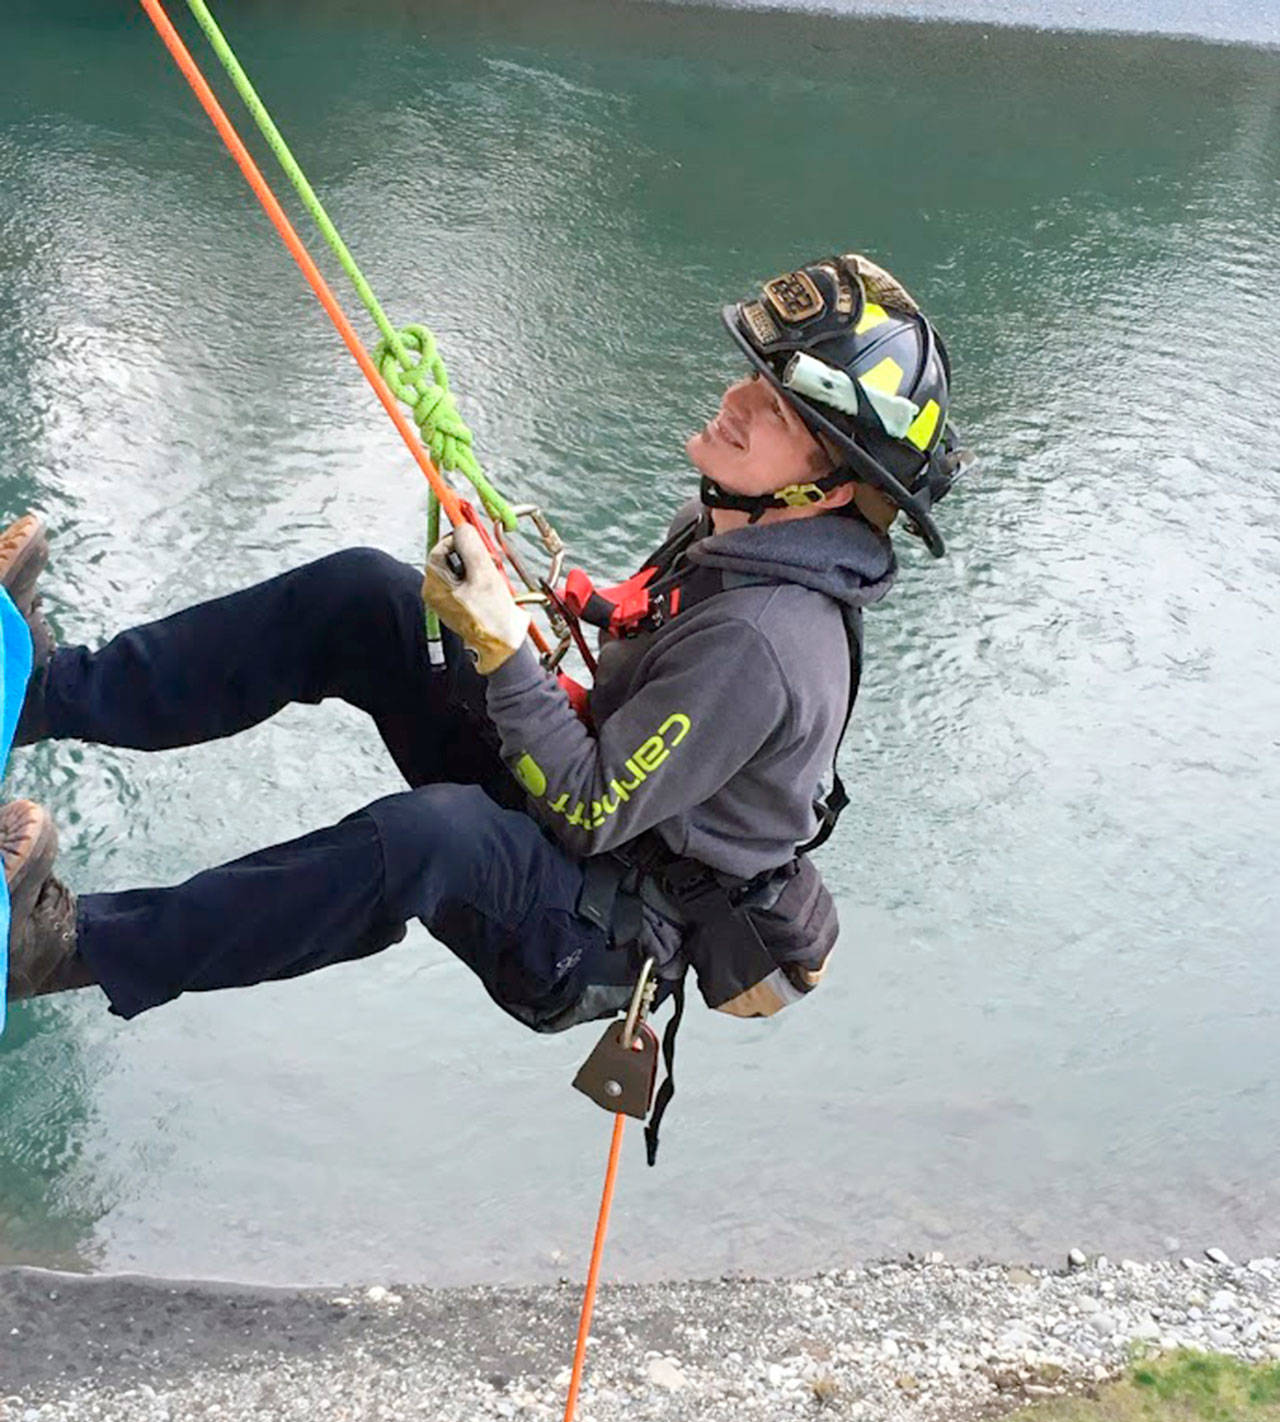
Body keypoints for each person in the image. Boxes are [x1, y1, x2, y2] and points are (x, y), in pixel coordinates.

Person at [1, 252, 966, 1044]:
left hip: (596, 925)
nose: (737, 402)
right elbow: (637, 631)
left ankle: (73, 947)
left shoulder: (766, 642)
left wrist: (505, 648)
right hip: (586, 824)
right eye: (756, 378)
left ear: (828, 490)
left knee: (435, 837)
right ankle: (41, 693)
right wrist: (518, 587)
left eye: (781, 415)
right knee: (365, 596)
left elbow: (592, 809)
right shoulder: (728, 525)